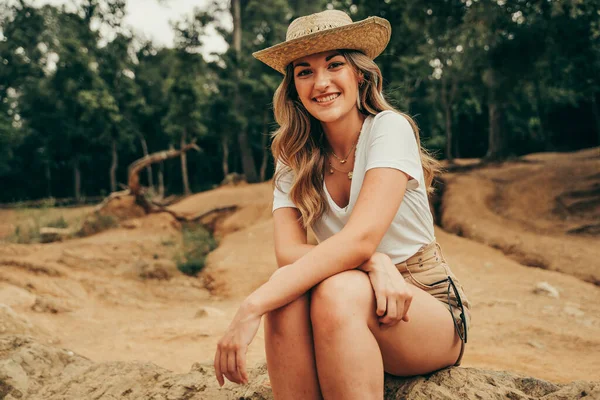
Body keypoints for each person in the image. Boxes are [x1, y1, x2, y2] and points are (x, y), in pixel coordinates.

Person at [214, 9, 471, 399]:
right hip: (351, 291)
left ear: (360, 74)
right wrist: (373, 263)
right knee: (287, 296)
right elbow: (287, 252)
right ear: (293, 87)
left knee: (332, 290)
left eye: (335, 65)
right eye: (304, 71)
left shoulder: (389, 128)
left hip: (424, 304)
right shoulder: (292, 154)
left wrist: (251, 307)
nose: (321, 83)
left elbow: (361, 238)